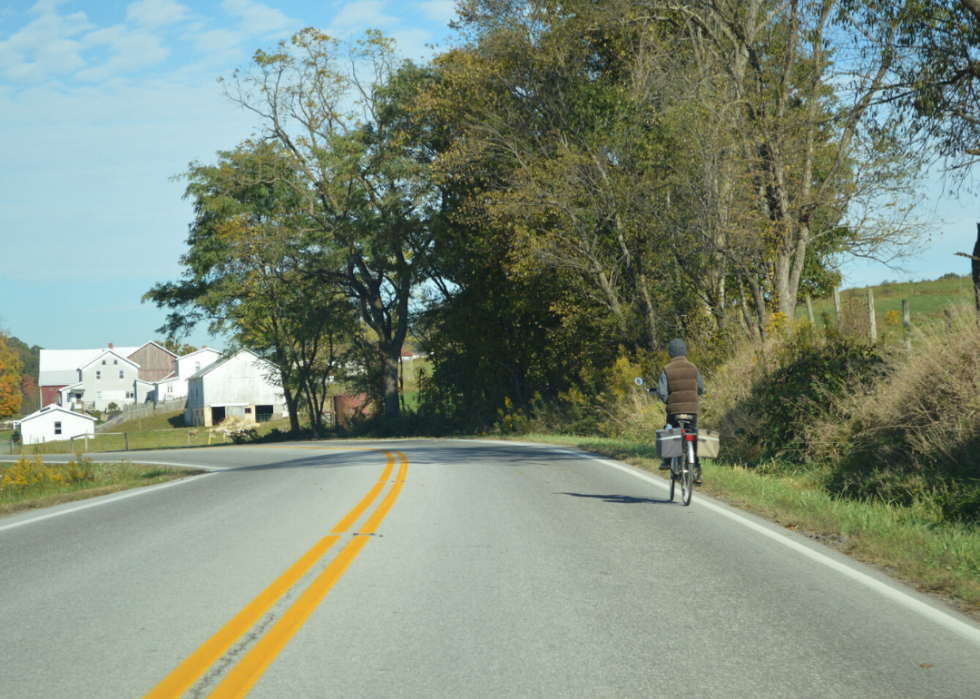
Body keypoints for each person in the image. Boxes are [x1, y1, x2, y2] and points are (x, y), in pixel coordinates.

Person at [657, 338, 704, 483]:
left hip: (674, 410)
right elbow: (701, 388)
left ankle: (666, 460)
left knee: (671, 430)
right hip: (692, 409)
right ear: (684, 351)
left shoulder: (667, 369)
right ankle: (696, 468)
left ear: (670, 353)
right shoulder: (693, 368)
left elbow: (662, 392)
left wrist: (668, 401)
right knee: (692, 433)